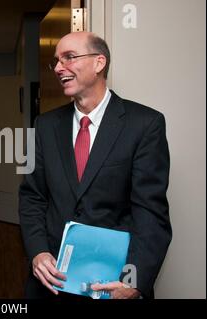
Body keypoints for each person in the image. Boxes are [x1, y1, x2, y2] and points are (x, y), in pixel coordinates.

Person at [18, 31, 171, 299]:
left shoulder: (145, 124)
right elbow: (32, 197)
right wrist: (38, 252)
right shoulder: (45, 126)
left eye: (69, 58)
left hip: (114, 284)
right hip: (52, 283)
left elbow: (150, 215)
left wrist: (133, 282)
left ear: (99, 63)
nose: (58, 67)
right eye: (55, 61)